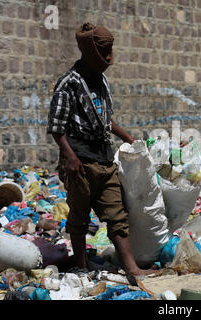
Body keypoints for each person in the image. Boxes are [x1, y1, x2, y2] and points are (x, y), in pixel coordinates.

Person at [47, 23, 156, 279]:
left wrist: (128, 137)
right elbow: (56, 127)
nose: (109, 58)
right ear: (89, 51)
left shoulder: (102, 80)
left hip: (105, 160)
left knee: (117, 214)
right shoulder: (69, 83)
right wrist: (70, 157)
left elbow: (106, 120)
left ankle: (131, 269)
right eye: (104, 51)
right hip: (80, 163)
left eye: (110, 51)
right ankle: (82, 266)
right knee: (79, 216)